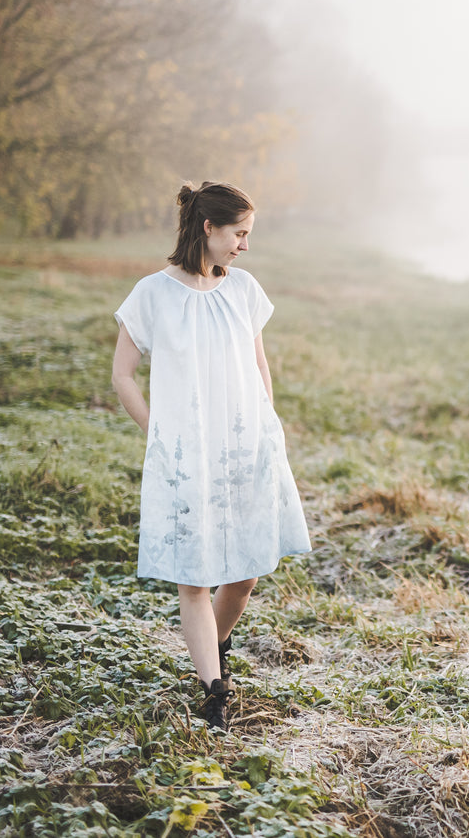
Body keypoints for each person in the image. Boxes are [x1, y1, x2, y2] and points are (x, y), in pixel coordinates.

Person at [111, 181, 311, 731]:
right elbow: (122, 375)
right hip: (185, 455)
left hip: (246, 447)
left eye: (249, 235)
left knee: (244, 574)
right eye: (239, 234)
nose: (245, 245)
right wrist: (159, 433)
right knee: (195, 579)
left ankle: (216, 645)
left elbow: (259, 367)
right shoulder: (152, 294)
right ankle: (213, 693)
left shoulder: (244, 290)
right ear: (208, 228)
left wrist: (270, 424)